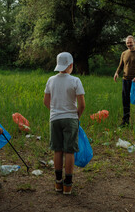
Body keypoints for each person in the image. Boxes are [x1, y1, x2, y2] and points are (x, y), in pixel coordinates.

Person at [43, 52, 86, 195]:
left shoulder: (50, 80)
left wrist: (55, 111)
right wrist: (76, 116)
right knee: (69, 151)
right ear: (71, 65)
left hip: (55, 118)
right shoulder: (75, 81)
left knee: (57, 150)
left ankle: (57, 183)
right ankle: (68, 184)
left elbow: (46, 102)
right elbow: (82, 104)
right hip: (71, 118)